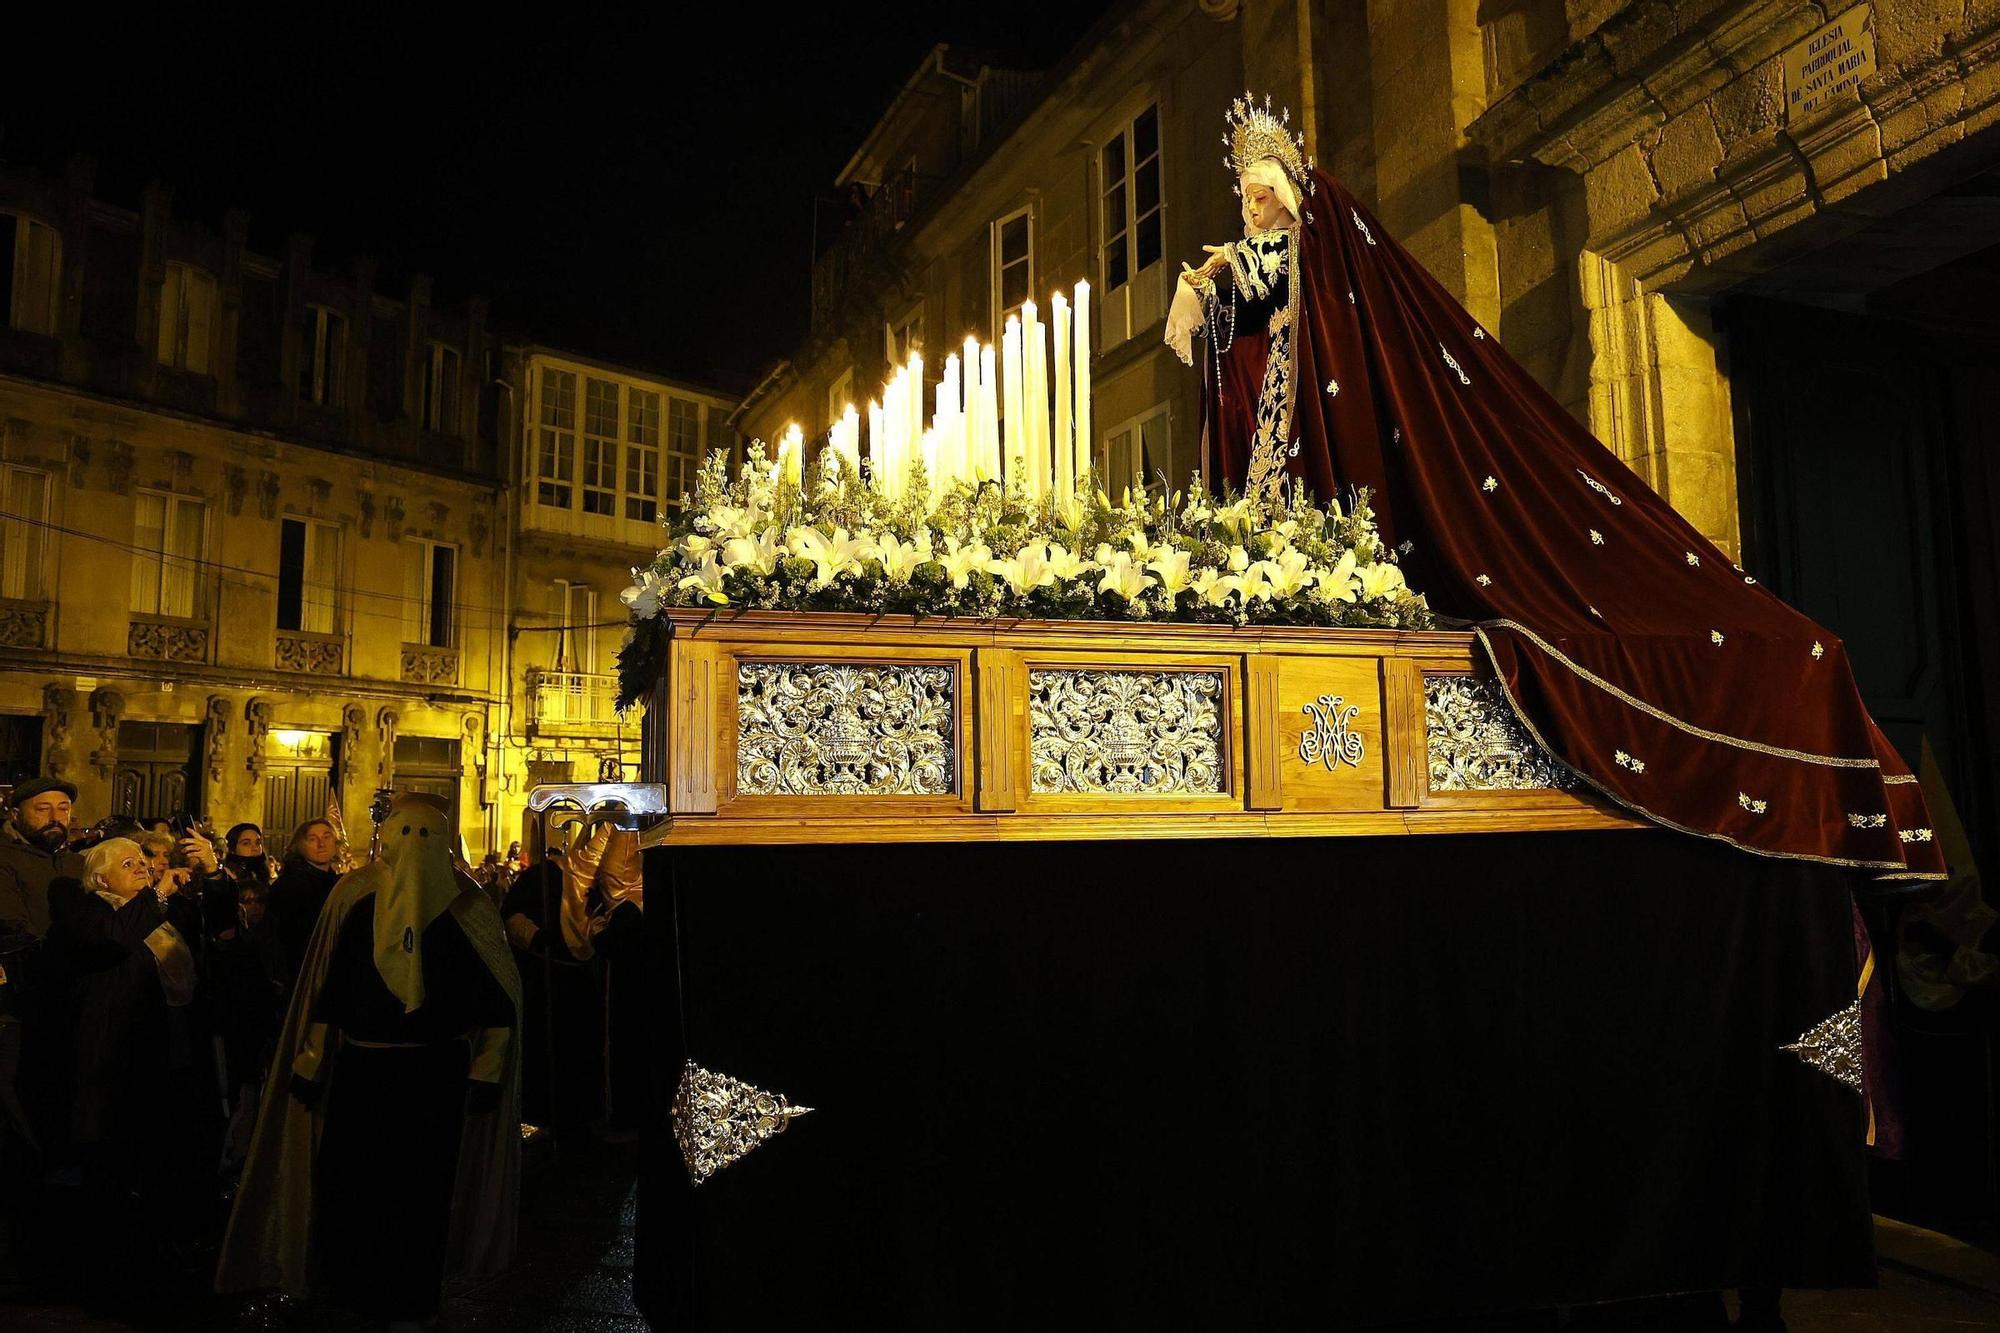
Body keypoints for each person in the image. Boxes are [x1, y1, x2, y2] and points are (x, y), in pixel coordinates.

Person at [1167, 92, 1942, 883]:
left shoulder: (1317, 259)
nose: (1252, 212)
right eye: (1246, 202)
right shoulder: (1285, 276)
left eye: (1262, 198)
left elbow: (1281, 269)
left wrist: (1231, 266)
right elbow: (1252, 317)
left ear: (1293, 199)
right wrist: (1214, 298)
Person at [217, 793, 521, 1331]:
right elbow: (328, 991)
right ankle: (351, 1289)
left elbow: (497, 1003)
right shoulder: (354, 895)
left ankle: (411, 1299)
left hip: (435, 1078)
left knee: (421, 1193)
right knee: (354, 1183)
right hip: (363, 1074)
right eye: (405, 834)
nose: (413, 851)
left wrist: (487, 1071)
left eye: (425, 837)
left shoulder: (468, 906)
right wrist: (310, 1062)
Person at [44, 838, 221, 1293]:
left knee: (160, 1161)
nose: (142, 869)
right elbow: (113, 941)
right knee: (111, 1169)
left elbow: (214, 939)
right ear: (101, 878)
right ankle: (104, 1270)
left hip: (165, 1053)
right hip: (113, 1062)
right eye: (128, 864)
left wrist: (213, 874)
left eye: (143, 862)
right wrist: (156, 893)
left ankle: (157, 1256)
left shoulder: (155, 909)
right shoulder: (86, 909)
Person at [0, 777, 84, 1286]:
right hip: (19, 1011)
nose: (56, 816)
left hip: (68, 1013)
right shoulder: (6, 860)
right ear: (18, 812)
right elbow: (12, 930)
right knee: (18, 1128)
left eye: (63, 808)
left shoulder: (74, 862)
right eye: (44, 808)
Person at [267, 819, 342, 991]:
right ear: (300, 845)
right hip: (302, 975)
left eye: (327, 836)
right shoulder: (289, 886)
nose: (321, 843)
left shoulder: (339, 883)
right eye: (312, 839)